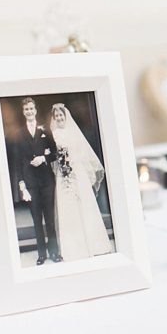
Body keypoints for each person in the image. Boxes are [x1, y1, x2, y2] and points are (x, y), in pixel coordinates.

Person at [49, 103, 112, 261]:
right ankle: (73, 249)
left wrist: (71, 161)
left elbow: (82, 152)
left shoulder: (73, 132)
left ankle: (95, 245)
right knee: (68, 208)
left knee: (84, 205)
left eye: (61, 115)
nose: (59, 118)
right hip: (62, 175)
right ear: (54, 118)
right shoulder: (53, 135)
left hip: (77, 172)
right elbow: (51, 155)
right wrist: (61, 164)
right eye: (56, 116)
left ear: (65, 116)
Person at [13, 98, 61, 265]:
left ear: (35, 110)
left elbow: (55, 152)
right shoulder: (19, 133)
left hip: (46, 180)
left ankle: (54, 252)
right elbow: (18, 161)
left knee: (49, 219)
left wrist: (43, 158)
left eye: (31, 108)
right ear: (23, 112)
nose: (29, 111)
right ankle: (42, 254)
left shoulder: (44, 129)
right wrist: (22, 185)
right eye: (26, 109)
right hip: (31, 182)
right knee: (36, 220)